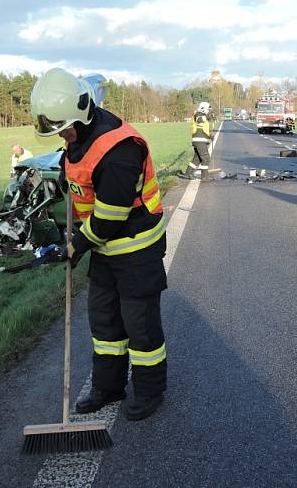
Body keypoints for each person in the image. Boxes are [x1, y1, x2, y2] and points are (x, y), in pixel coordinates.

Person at [30, 67, 168, 421]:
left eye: (64, 129)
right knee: (105, 322)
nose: (64, 137)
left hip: (136, 247)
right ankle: (109, 387)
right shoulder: (79, 132)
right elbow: (79, 181)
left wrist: (75, 245)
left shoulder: (120, 152)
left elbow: (109, 217)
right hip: (105, 247)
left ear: (81, 114)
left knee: (139, 325)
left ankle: (150, 391)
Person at [182, 102, 212, 180]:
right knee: (206, 158)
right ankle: (204, 177)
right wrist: (206, 115)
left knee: (197, 158)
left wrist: (210, 136)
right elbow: (199, 121)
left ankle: (188, 173)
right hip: (199, 140)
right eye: (208, 110)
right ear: (203, 108)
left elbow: (203, 129)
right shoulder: (199, 114)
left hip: (200, 140)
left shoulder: (202, 115)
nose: (209, 111)